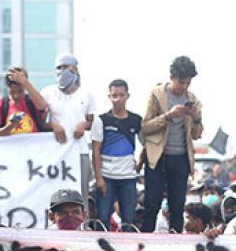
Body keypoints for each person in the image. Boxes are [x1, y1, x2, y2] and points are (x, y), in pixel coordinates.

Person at [139, 56, 204, 234]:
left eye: (188, 83)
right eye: (181, 82)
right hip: (157, 157)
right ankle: (146, 243)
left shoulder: (192, 99)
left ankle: (175, 242)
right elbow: (145, 126)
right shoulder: (157, 94)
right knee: (152, 203)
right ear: (172, 77)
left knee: (177, 205)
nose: (184, 86)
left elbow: (197, 135)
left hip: (181, 158)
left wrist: (196, 117)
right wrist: (169, 115)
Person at [40, 54, 98, 205]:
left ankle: (81, 226)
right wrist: (53, 126)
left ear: (75, 69)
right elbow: (39, 123)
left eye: (66, 67)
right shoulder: (47, 92)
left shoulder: (86, 93)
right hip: (55, 152)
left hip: (79, 150)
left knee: (80, 193)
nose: (62, 71)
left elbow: (92, 122)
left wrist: (83, 125)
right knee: (55, 193)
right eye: (59, 68)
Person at [91, 79, 142, 229]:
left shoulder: (136, 120)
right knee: (103, 217)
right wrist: (99, 178)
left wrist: (140, 163)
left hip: (128, 177)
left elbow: (148, 143)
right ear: (109, 97)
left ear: (128, 96)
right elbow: (96, 150)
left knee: (129, 219)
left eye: (121, 95)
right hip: (107, 176)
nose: (118, 99)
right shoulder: (101, 120)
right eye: (114, 95)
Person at [0, 67, 48, 136]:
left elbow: (42, 106)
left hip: (34, 145)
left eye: (20, 91)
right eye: (12, 92)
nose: (16, 95)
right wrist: (10, 126)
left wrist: (25, 82)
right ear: (7, 88)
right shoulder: (0, 104)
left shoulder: (32, 101)